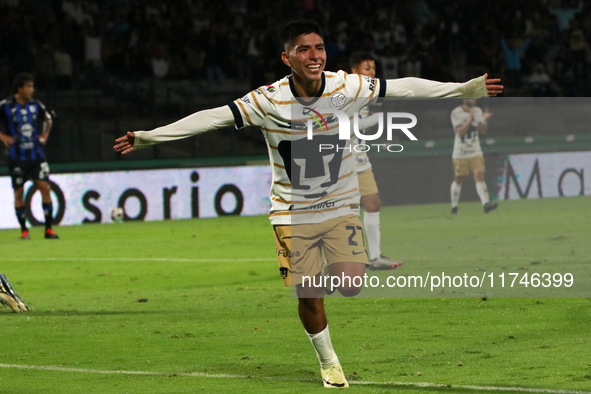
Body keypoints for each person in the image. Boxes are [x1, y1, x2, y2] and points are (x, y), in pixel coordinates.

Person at [114, 20, 502, 388]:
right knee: (309, 291)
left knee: (350, 284)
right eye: (304, 49)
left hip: (338, 205)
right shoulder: (267, 100)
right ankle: (329, 362)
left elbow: (402, 87)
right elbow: (212, 118)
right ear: (287, 59)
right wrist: (149, 137)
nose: (314, 55)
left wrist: (463, 89)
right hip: (291, 212)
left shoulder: (344, 86)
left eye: (319, 47)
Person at [348, 51, 402, 270]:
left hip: (360, 158)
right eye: (367, 67)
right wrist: (377, 118)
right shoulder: (345, 92)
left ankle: (375, 257)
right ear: (354, 71)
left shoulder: (366, 96)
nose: (372, 72)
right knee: (343, 212)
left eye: (373, 68)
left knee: (373, 203)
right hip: (341, 161)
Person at [0, 73, 60, 240]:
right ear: (19, 89)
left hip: (36, 156)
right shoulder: (5, 106)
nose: (31, 90)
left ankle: (48, 230)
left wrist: (45, 135)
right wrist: (3, 136)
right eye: (28, 87)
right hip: (16, 157)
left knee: (44, 187)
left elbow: (48, 119)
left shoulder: (35, 105)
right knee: (19, 192)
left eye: (32, 86)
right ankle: (24, 231)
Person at [450, 99, 498, 215]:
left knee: (479, 176)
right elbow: (460, 131)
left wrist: (484, 120)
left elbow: (482, 131)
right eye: (471, 97)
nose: (474, 99)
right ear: (464, 99)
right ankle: (454, 207)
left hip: (475, 150)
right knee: (458, 179)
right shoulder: (456, 112)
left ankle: (486, 204)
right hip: (460, 152)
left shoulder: (478, 111)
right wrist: (470, 119)